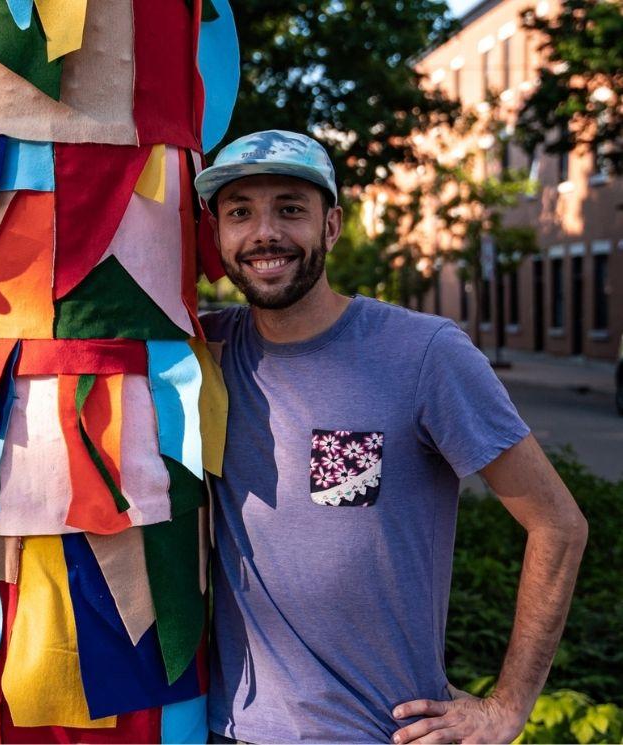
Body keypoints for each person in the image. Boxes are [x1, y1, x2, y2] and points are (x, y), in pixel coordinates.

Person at [194, 130, 587, 743]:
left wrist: (508, 706)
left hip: (379, 732)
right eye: (239, 212)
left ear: (332, 226)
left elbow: (558, 524)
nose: (264, 232)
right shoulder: (203, 352)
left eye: (290, 209)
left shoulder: (424, 353)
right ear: (217, 235)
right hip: (228, 729)